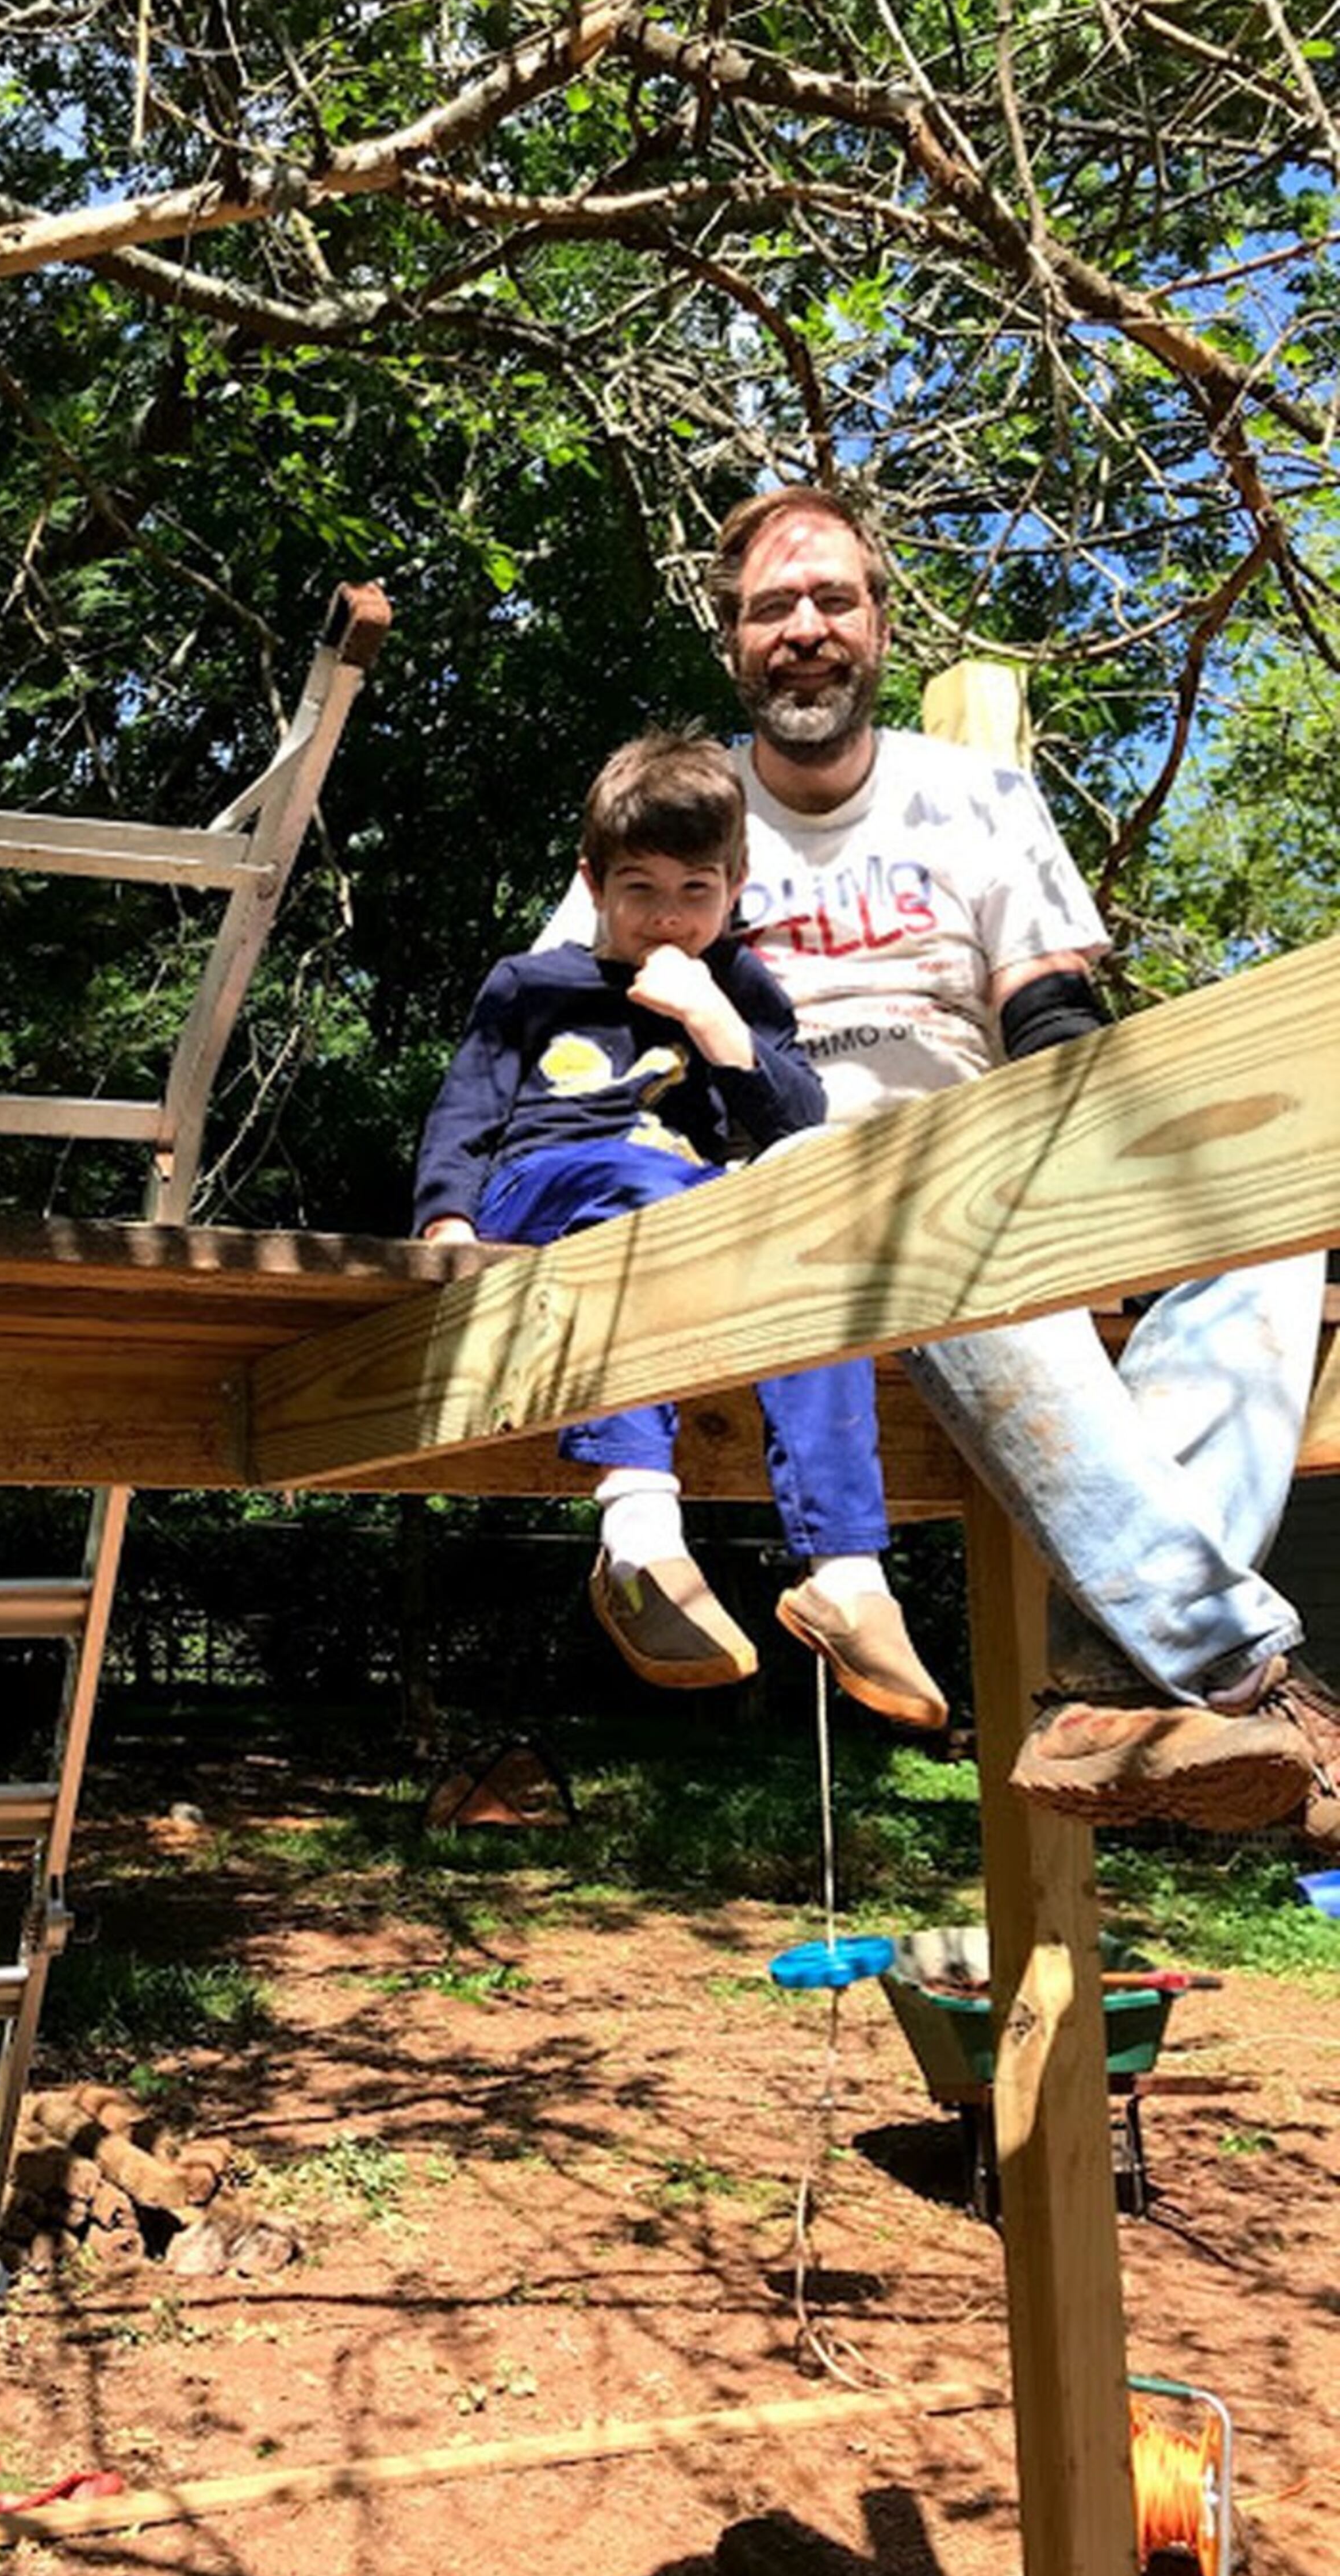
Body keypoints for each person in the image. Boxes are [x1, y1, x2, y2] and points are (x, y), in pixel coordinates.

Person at [539, 483, 1333, 1834]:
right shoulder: (681, 809)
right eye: (771, 607)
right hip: (784, 1188)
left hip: (991, 1165)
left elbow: (1052, 1021)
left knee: (1275, 1225)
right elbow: (575, 1030)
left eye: (831, 600)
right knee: (911, 1205)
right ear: (731, 641)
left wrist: (1115, 1194)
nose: (804, 628)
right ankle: (1231, 1665)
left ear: (879, 626)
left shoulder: (971, 796)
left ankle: (1104, 1685)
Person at [419, 729, 947, 1726]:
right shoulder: (532, 986)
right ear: (593, 884)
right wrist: (445, 1220)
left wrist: (717, 1027)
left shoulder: (738, 988)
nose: (669, 917)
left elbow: (797, 1122)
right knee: (642, 1182)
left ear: (737, 885)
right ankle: (638, 1535)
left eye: (696, 892)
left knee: (805, 1224)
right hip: (544, 1191)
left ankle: (847, 1571)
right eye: (641, 890)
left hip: (689, 1204)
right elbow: (464, 1114)